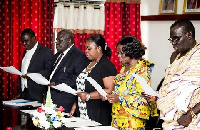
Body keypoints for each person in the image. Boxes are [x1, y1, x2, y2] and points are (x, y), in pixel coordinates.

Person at [154, 19, 200, 129]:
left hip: (193, 119)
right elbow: (171, 85)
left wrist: (190, 114)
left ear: (189, 35)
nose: (173, 43)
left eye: (177, 38)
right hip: (171, 119)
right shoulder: (175, 57)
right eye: (172, 39)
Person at [107, 36, 158, 129]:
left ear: (131, 52)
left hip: (132, 122)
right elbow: (124, 90)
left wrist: (119, 98)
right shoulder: (124, 68)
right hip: (118, 118)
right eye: (118, 52)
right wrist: (110, 96)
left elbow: (144, 99)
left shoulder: (142, 71)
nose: (118, 55)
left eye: (121, 53)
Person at [69, 34, 117, 126]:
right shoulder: (89, 63)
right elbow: (81, 87)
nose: (86, 51)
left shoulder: (106, 65)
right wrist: (75, 105)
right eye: (85, 48)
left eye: (89, 48)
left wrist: (89, 96)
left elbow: (110, 90)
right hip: (83, 110)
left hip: (98, 112)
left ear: (99, 48)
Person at [49, 29, 89, 113]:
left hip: (65, 101)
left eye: (60, 40)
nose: (57, 43)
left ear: (69, 40)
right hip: (51, 97)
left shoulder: (78, 55)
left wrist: (58, 83)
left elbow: (77, 77)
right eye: (56, 40)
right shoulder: (57, 55)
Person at [17, 28, 53, 103]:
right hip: (24, 92)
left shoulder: (46, 51)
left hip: (37, 94)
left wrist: (32, 75)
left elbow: (48, 71)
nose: (24, 43)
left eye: (26, 41)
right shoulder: (25, 52)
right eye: (22, 41)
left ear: (34, 38)